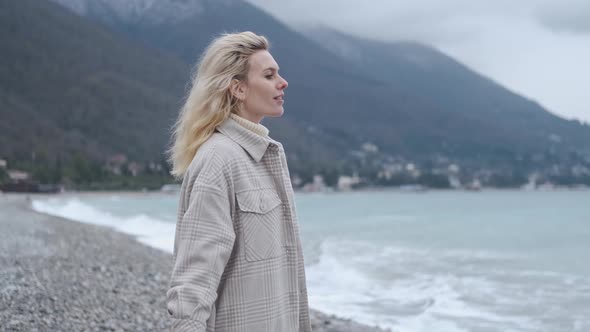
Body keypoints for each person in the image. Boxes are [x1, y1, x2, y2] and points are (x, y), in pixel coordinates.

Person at [166, 31, 312, 332]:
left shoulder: (261, 155)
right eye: (269, 75)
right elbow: (194, 277)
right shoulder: (218, 160)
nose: (282, 83)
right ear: (238, 89)